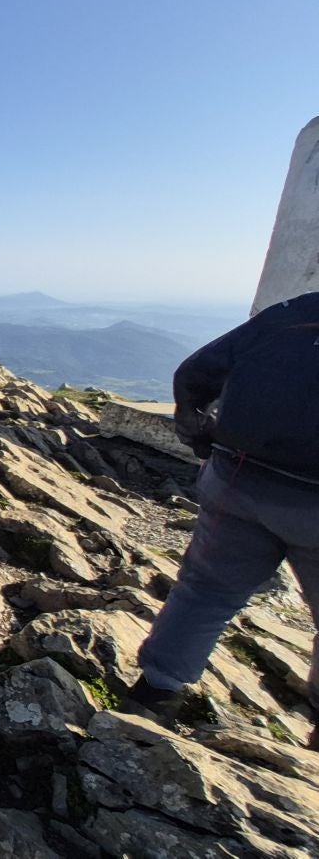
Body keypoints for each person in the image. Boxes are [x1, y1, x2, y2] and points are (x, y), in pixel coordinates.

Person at [126, 291, 319, 729]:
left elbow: (195, 373)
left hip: (237, 481)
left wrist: (203, 442)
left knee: (205, 591)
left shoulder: (295, 313)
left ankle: (154, 696)